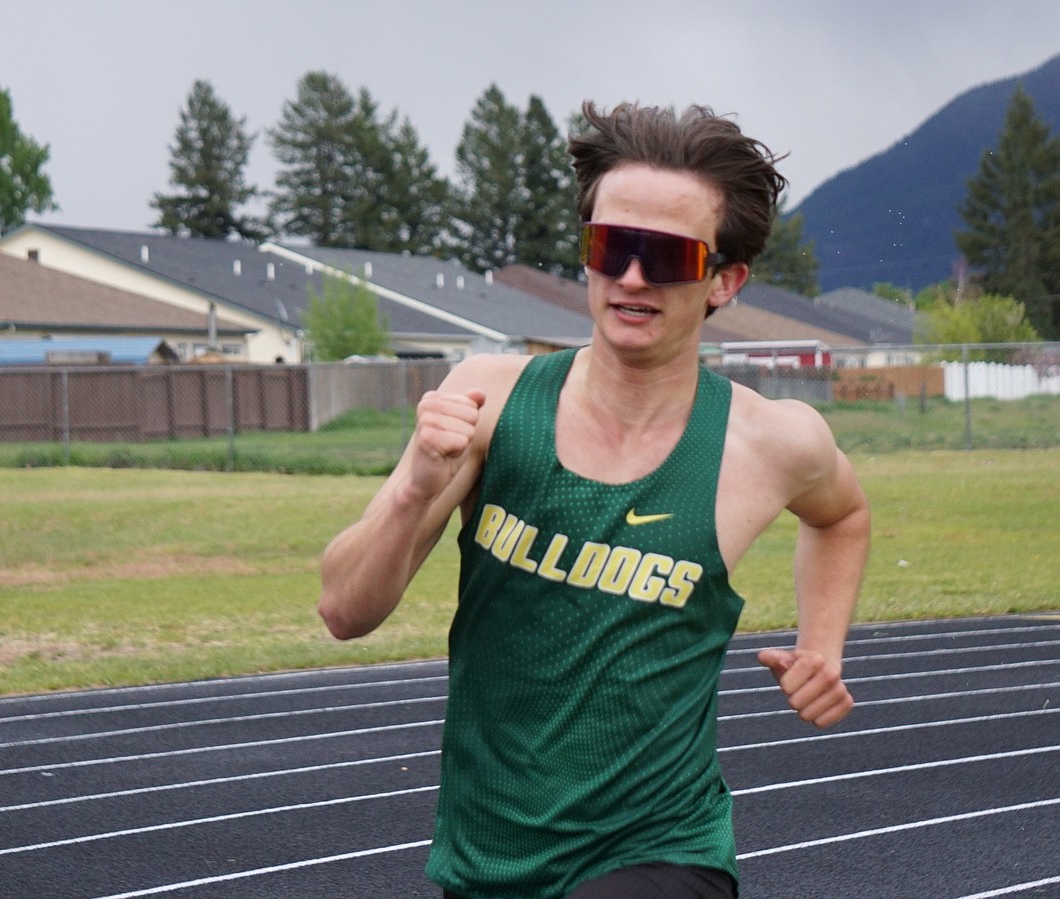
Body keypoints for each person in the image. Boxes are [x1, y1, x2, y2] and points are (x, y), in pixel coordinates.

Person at [318, 101, 871, 899]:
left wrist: (823, 645)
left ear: (725, 280)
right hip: (488, 855)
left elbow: (842, 513)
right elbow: (343, 609)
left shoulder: (771, 442)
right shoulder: (486, 403)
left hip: (662, 848)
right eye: (612, 246)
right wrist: (413, 487)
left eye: (669, 255)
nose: (633, 277)